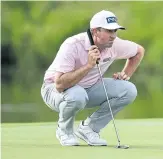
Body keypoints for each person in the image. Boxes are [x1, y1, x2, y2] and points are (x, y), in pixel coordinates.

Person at [40, 10, 145, 146]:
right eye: (109, 31)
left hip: (89, 88)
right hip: (54, 90)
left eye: (115, 31)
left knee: (129, 90)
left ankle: (89, 129)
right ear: (95, 31)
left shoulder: (115, 44)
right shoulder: (72, 45)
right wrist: (89, 65)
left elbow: (139, 51)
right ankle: (64, 131)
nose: (113, 36)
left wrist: (125, 74)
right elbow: (59, 84)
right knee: (77, 94)